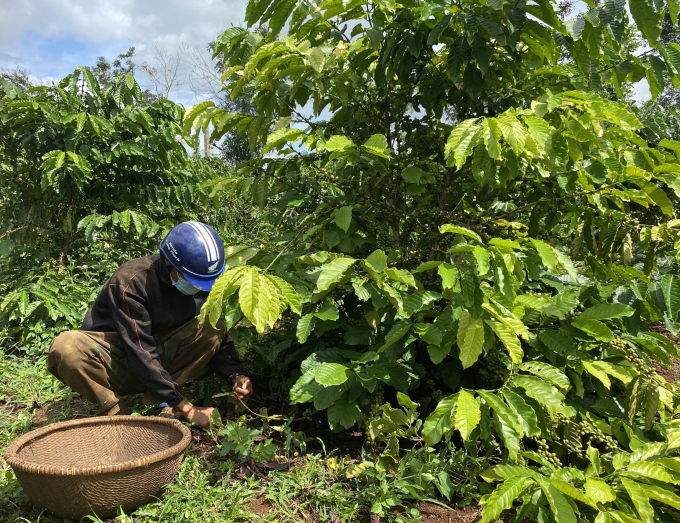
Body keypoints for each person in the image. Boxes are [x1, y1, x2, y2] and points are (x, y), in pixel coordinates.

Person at [48, 221, 252, 429]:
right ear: (168, 263)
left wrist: (236, 374)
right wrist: (189, 410)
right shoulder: (131, 282)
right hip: (117, 359)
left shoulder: (202, 284)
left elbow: (218, 338)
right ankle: (114, 410)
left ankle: (163, 402)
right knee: (66, 347)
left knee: (213, 323)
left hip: (157, 354)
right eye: (192, 280)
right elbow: (139, 349)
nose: (198, 287)